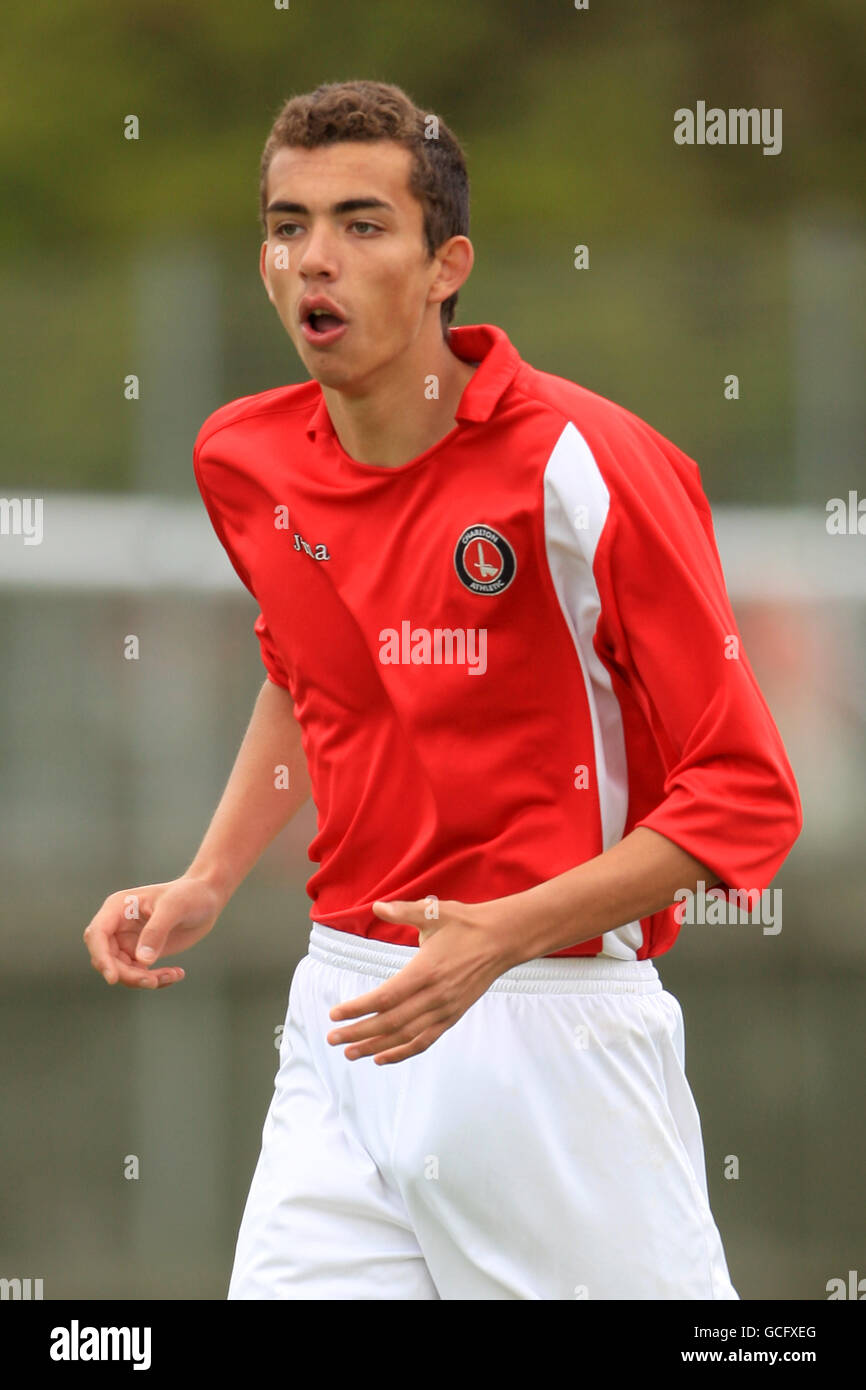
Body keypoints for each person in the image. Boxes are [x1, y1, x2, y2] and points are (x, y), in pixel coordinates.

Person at [83, 79, 802, 1300]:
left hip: (548, 1028)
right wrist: (208, 875)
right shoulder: (242, 457)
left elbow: (745, 800)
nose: (316, 259)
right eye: (287, 223)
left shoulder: (587, 465)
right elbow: (314, 674)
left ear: (441, 264)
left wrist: (496, 940)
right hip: (342, 1017)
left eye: (362, 225)